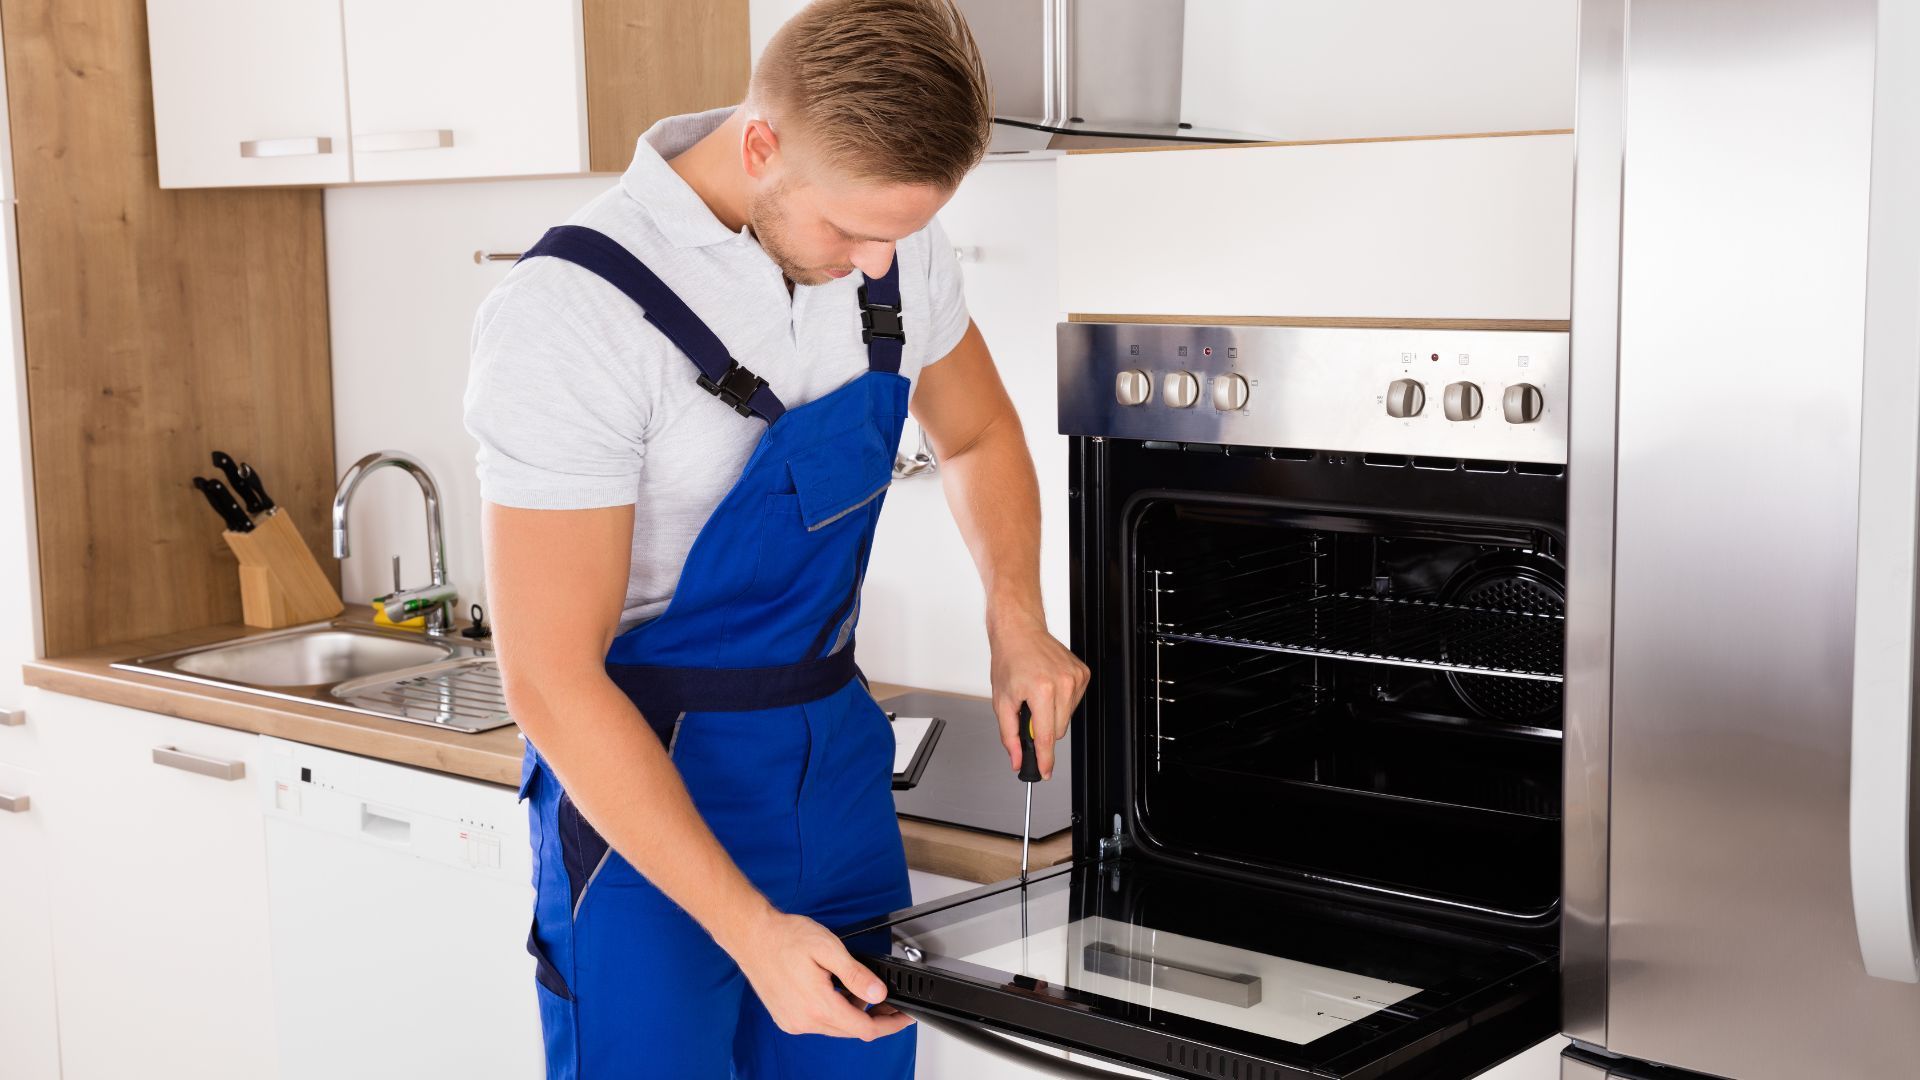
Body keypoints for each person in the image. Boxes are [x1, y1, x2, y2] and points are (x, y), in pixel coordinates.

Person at [461, 1, 1089, 1075]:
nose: (874, 264)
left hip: (835, 775)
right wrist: (748, 929)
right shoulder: (571, 313)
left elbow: (979, 433)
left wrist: (1017, 618)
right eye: (849, 232)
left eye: (900, 236)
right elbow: (552, 681)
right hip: (643, 814)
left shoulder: (895, 246)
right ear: (761, 144)